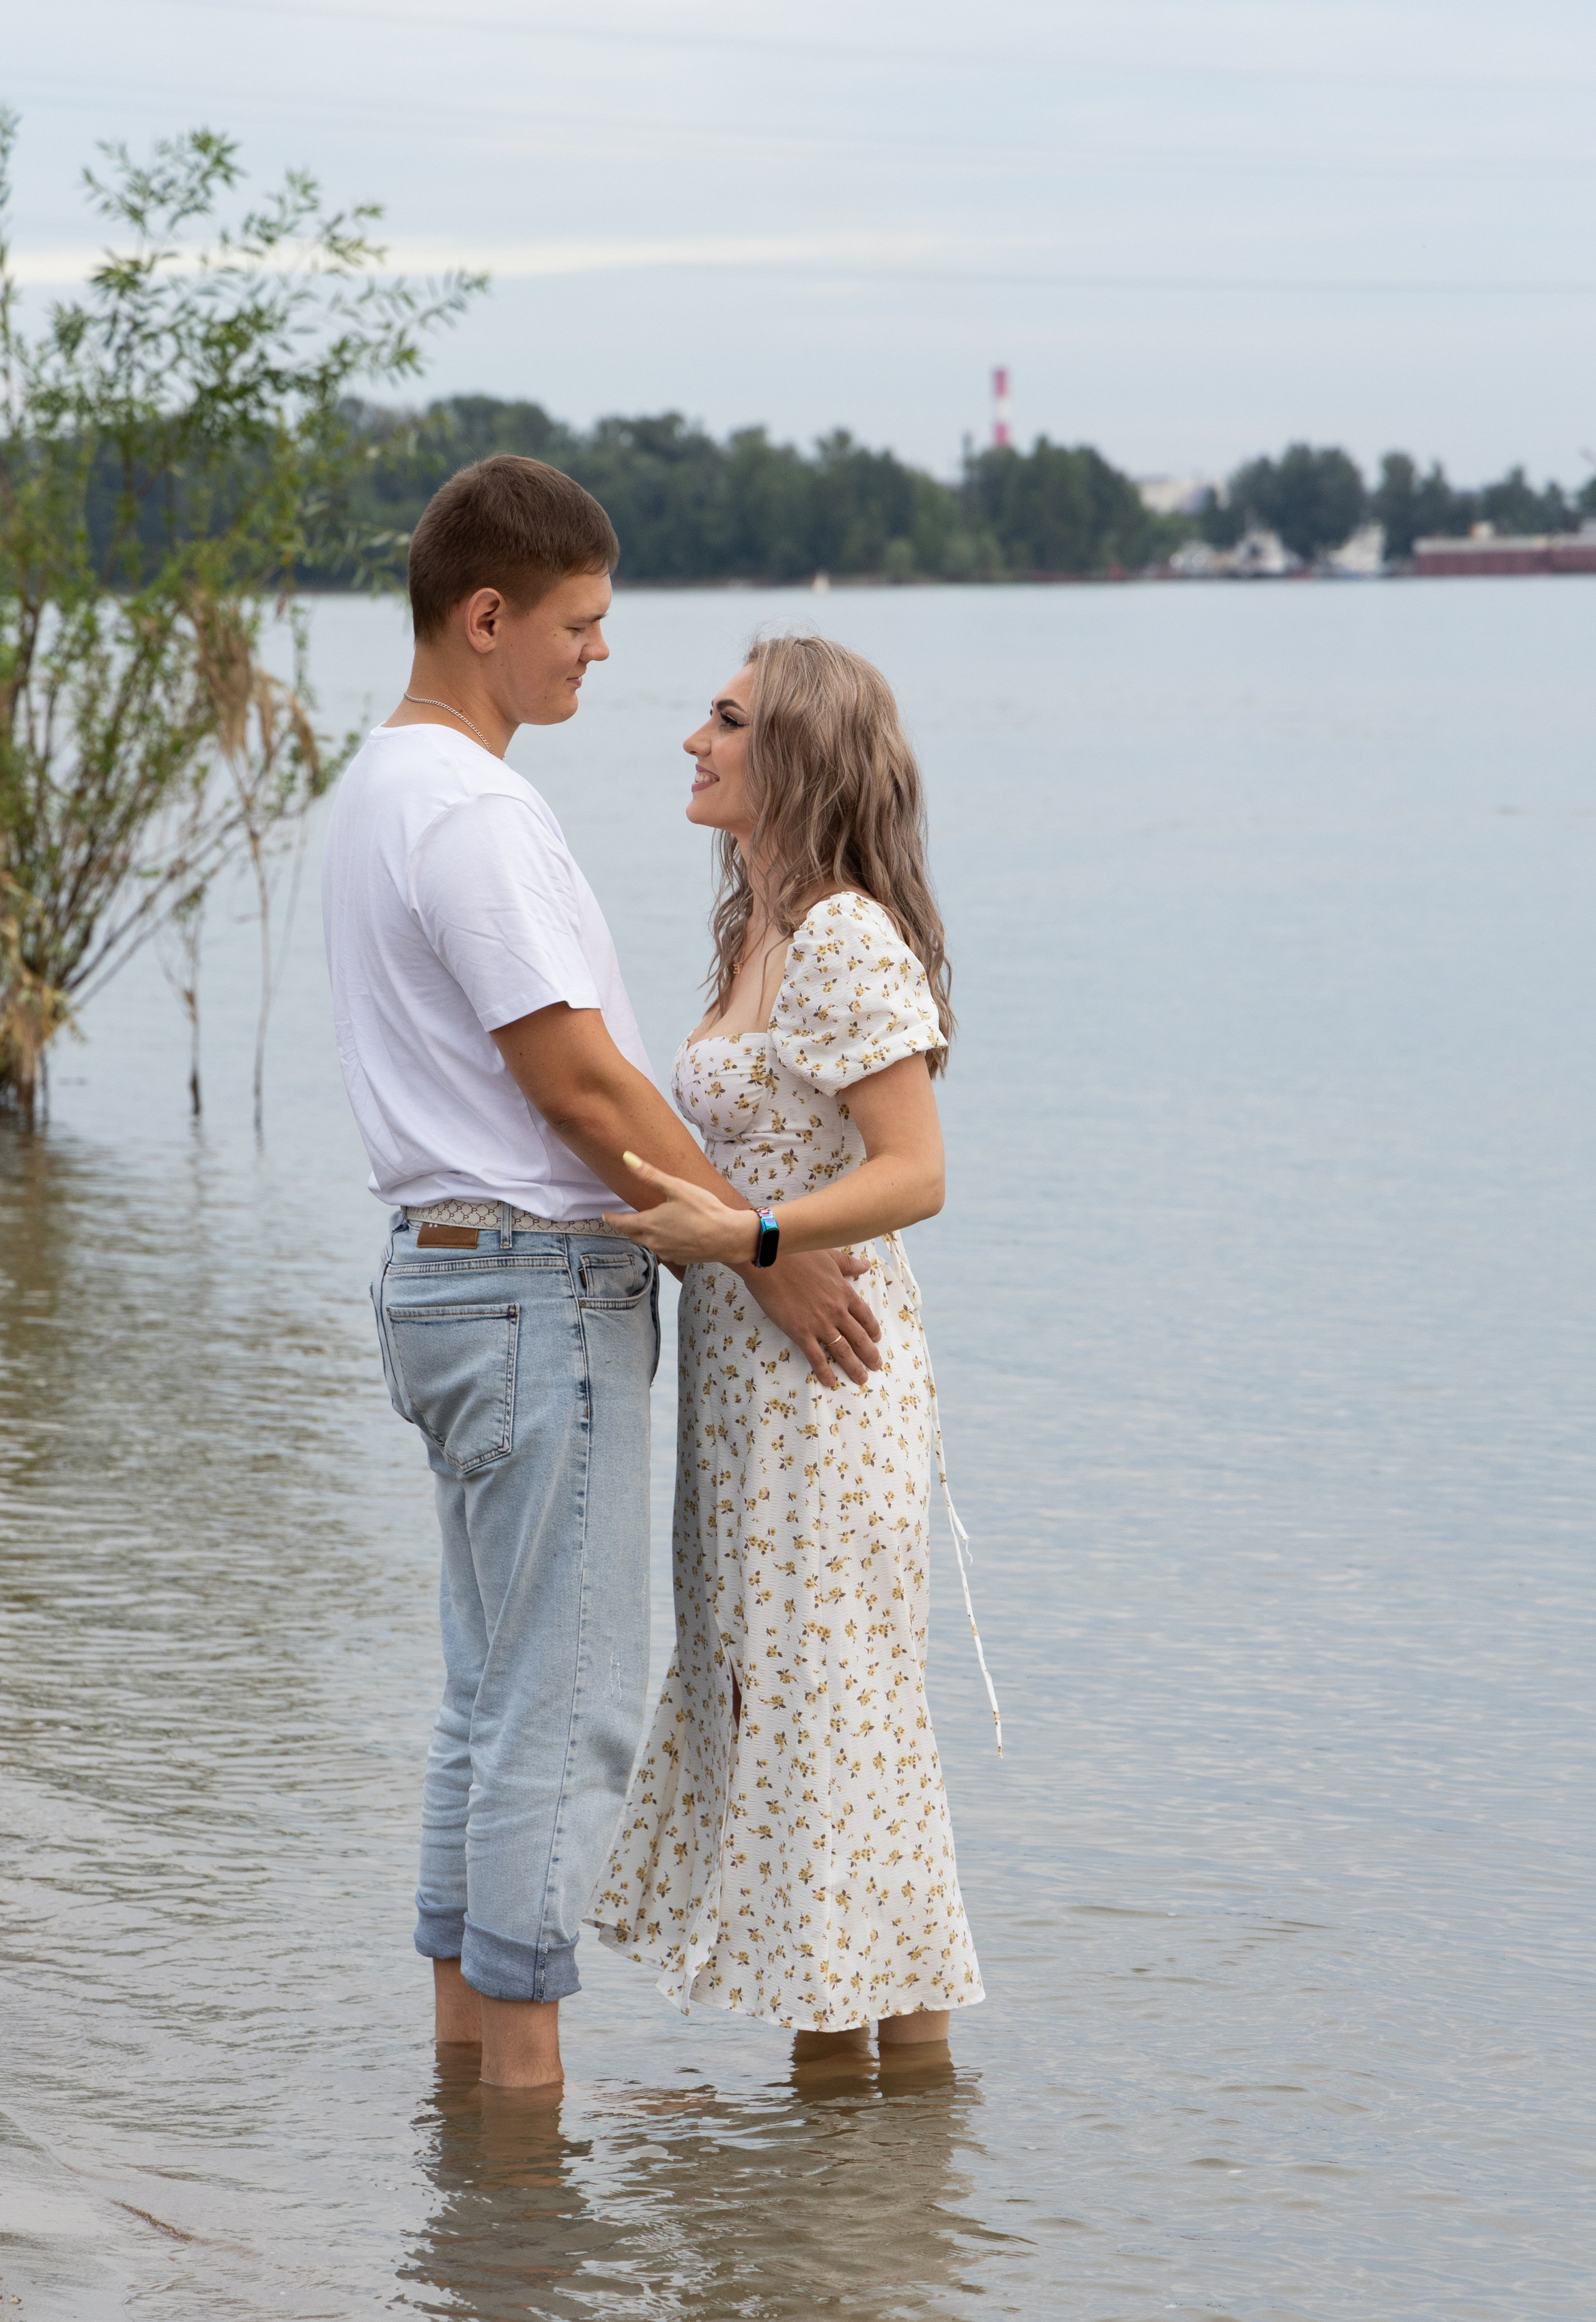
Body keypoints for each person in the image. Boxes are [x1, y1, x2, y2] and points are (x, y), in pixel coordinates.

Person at [319, 462, 886, 2091]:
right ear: (485, 618)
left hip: (441, 1280)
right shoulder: (477, 811)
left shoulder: (382, 788)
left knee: (485, 1699)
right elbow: (578, 1088)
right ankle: (519, 2120)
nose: (601, 656)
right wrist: (757, 1256)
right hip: (525, 1288)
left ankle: (464, 2082)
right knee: (560, 1719)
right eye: (579, 625)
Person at [593, 632, 995, 2064]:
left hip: (827, 1387)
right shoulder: (752, 925)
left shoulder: (836, 930)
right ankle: (850, 2205)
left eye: (724, 720)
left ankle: (848, 2223)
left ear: (798, 754)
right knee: (808, 1747)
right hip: (742, 1387)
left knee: (834, 1750)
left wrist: (753, 1240)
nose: (692, 740)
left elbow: (916, 1172)